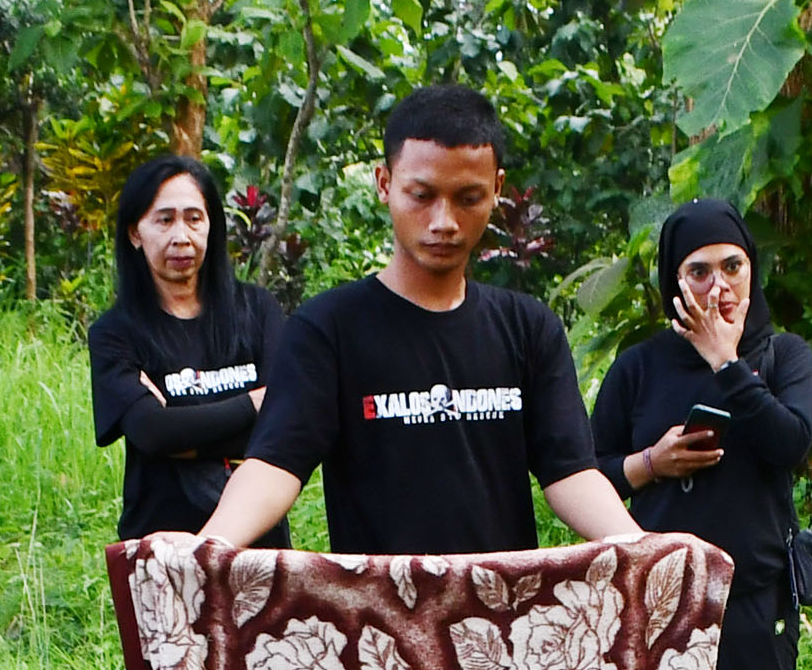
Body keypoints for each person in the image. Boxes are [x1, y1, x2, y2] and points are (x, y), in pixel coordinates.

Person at [196, 86, 639, 555]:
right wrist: (209, 545)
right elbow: (274, 466)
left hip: (502, 615)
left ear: (497, 190)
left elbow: (571, 472)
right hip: (375, 617)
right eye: (422, 195)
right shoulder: (328, 329)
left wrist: (642, 545)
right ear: (385, 184)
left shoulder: (528, 328)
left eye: (468, 197)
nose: (444, 221)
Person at [589, 201, 812, 670]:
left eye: (732, 266)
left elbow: (790, 443)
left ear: (753, 271)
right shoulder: (640, 367)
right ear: (671, 281)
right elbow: (588, 473)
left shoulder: (784, 356)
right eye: (697, 270)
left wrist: (727, 363)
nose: (717, 284)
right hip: (658, 595)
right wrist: (650, 463)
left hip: (753, 589)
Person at [88, 155, 280, 540]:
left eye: (194, 218)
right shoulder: (115, 333)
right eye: (164, 219)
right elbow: (152, 433)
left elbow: (288, 422)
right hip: (160, 550)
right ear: (135, 233)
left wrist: (182, 435)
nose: (181, 236)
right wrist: (254, 404)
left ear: (212, 226)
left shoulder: (258, 310)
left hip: (261, 548)